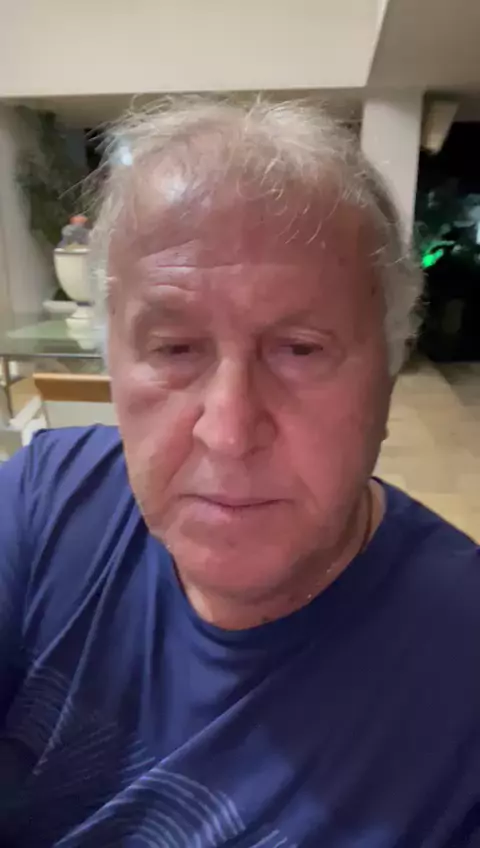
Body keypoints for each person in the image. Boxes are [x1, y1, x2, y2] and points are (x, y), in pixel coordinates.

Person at [0, 97, 479, 848]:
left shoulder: (460, 680)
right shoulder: (47, 499)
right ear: (112, 365)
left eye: (300, 349)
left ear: (389, 372)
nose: (227, 433)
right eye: (175, 349)